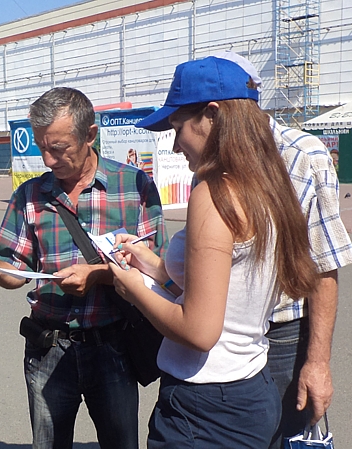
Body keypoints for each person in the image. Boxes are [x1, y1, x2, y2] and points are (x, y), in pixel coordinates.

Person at [109, 56, 321, 448]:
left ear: (212, 114)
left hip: (204, 407)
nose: (175, 145)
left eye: (178, 128)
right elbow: (231, 286)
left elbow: (199, 331)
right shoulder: (267, 185)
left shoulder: (214, 193)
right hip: (252, 386)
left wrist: (132, 288)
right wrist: (151, 264)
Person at [0, 86, 167, 449]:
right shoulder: (29, 195)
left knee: (120, 443)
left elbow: (159, 271)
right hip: (47, 348)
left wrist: (99, 276)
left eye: (58, 149)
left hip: (113, 345)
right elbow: (15, 268)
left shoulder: (134, 186)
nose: (48, 160)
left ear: (90, 135)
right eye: (41, 148)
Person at [213, 51, 352, 448]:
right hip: (221, 334)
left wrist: (317, 363)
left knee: (281, 436)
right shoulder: (211, 157)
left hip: (281, 336)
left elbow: (324, 266)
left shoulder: (303, 155)